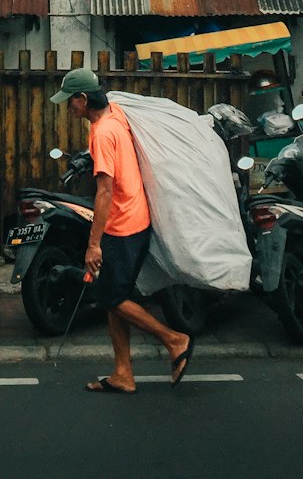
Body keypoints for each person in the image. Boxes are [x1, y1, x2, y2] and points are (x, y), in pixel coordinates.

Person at [50, 67, 194, 394]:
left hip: (123, 225)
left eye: (69, 102)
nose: (67, 108)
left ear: (83, 99)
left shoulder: (101, 132)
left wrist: (93, 244)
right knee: (115, 295)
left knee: (111, 297)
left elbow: (104, 192)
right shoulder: (116, 114)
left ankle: (175, 340)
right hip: (137, 218)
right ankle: (122, 373)